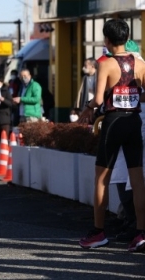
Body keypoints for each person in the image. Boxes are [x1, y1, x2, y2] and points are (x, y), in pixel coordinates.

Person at [78, 19, 145, 252]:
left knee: (101, 179)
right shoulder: (139, 63)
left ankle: (98, 232)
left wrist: (87, 108)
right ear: (127, 38)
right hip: (134, 121)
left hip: (114, 121)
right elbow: (143, 95)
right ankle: (140, 233)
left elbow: (98, 100)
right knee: (137, 179)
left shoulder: (105, 63)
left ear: (106, 40)